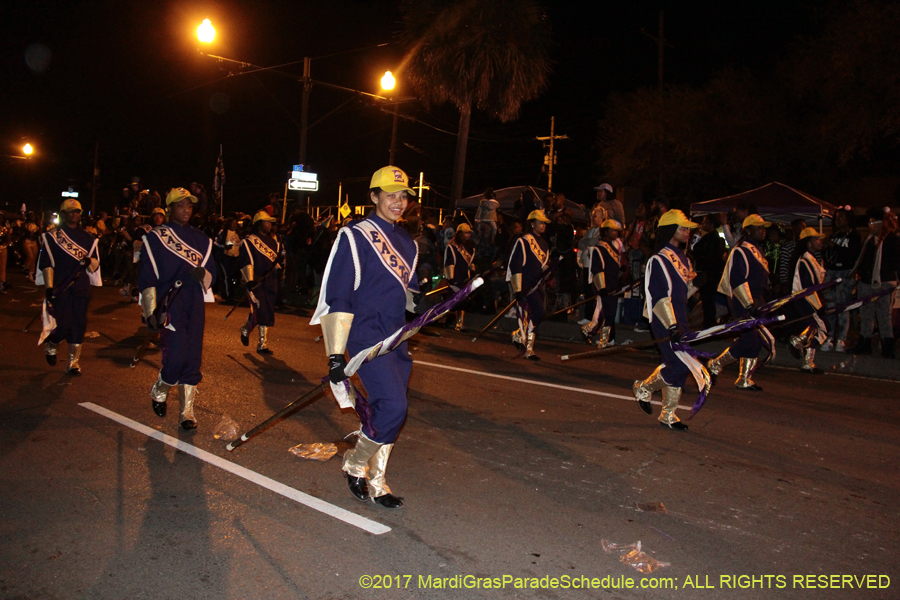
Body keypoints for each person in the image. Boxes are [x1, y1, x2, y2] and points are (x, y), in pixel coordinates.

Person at [311, 165, 419, 509]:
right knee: (393, 405)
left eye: (403, 196)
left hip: (396, 337)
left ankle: (377, 481)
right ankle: (355, 463)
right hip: (364, 335)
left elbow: (408, 294)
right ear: (373, 197)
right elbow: (338, 295)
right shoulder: (354, 235)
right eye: (391, 195)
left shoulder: (408, 243)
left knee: (390, 411)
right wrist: (335, 354)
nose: (399, 202)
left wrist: (423, 300)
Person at [139, 187, 217, 430]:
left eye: (190, 205)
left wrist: (203, 273)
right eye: (181, 205)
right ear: (170, 208)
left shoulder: (202, 239)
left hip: (194, 302)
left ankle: (187, 412)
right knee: (176, 356)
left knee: (193, 357)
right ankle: (161, 388)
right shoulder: (156, 237)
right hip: (170, 302)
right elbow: (148, 276)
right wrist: (150, 311)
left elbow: (212, 274)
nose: (186, 210)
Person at [632, 210, 708, 431]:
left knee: (678, 363)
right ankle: (644, 388)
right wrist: (672, 325)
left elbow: (681, 292)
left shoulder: (683, 258)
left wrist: (697, 284)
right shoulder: (659, 259)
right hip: (664, 317)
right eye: (682, 228)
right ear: (669, 230)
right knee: (679, 363)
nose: (687, 232)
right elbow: (659, 296)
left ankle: (668, 414)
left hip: (680, 315)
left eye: (688, 228)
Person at [707, 215, 772, 390]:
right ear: (748, 230)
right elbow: (737, 280)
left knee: (756, 340)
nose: (763, 231)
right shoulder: (741, 250)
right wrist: (750, 305)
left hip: (756, 299)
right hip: (742, 299)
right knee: (750, 337)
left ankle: (744, 378)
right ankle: (715, 364)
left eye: (763, 227)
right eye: (758, 228)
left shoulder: (756, 249)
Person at [37, 199, 102, 374]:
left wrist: (89, 261)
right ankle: (52, 344)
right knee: (63, 324)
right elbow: (46, 263)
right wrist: (49, 288)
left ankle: (73, 362)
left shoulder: (88, 238)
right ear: (63, 214)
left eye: (77, 212)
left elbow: (95, 264)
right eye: (71, 212)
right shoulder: (52, 236)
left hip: (81, 286)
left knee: (79, 323)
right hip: (61, 285)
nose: (75, 214)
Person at [849, 207, 900, 357]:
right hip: (866, 282)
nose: (870, 225)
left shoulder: (892, 240)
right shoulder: (869, 240)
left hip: (884, 283)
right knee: (866, 315)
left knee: (884, 315)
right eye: (869, 222)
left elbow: (896, 262)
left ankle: (887, 345)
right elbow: (862, 260)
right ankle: (865, 342)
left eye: (873, 222)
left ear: (881, 223)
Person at [507, 209, 551, 360]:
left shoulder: (544, 244)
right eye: (540, 223)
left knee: (537, 315)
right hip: (525, 285)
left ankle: (526, 344)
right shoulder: (523, 240)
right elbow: (515, 264)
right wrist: (517, 289)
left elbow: (543, 266)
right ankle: (525, 343)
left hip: (537, 285)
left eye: (544, 223)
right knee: (538, 312)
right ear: (532, 224)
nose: (543, 225)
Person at [238, 210, 282, 354]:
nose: (270, 225)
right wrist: (249, 281)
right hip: (256, 281)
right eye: (267, 222)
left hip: (270, 281)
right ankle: (262, 344)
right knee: (260, 310)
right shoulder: (249, 241)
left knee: (268, 310)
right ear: (259, 224)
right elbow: (247, 261)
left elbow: (274, 261)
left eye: (270, 222)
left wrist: (279, 269)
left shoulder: (275, 243)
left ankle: (248, 331)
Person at [787, 228, 828, 372]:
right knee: (816, 327)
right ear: (809, 243)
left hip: (810, 299)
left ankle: (807, 362)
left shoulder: (813, 259)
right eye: (817, 239)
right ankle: (796, 342)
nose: (820, 242)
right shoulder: (805, 260)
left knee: (813, 329)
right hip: (806, 300)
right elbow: (808, 286)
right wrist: (818, 305)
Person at [821, 207, 860, 352]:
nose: (838, 220)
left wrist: (835, 247)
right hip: (831, 271)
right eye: (836, 218)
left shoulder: (854, 236)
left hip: (845, 272)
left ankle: (841, 339)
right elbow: (827, 255)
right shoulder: (834, 235)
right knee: (830, 307)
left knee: (842, 306)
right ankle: (829, 336)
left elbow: (852, 254)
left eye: (841, 217)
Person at [581, 219, 623, 347]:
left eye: (617, 231)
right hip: (604, 287)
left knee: (609, 313)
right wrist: (602, 287)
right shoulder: (599, 248)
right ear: (605, 231)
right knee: (605, 313)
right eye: (612, 230)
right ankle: (602, 340)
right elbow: (597, 269)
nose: (615, 233)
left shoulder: (613, 248)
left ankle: (591, 332)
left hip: (613, 286)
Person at [692, 215, 727, 328]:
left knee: (708, 300)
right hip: (708, 272)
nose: (703, 224)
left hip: (710, 273)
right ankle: (708, 323)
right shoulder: (708, 237)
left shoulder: (713, 238)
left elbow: (704, 254)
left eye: (705, 222)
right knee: (706, 300)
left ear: (711, 225)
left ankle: (708, 324)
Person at [443, 223, 475, 331]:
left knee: (462, 302)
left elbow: (471, 263)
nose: (468, 235)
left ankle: (459, 324)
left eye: (469, 233)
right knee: (453, 302)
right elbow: (449, 262)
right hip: (455, 277)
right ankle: (441, 319)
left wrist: (473, 273)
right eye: (466, 233)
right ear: (459, 234)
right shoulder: (452, 247)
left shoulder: (470, 248)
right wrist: (451, 278)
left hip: (465, 277)